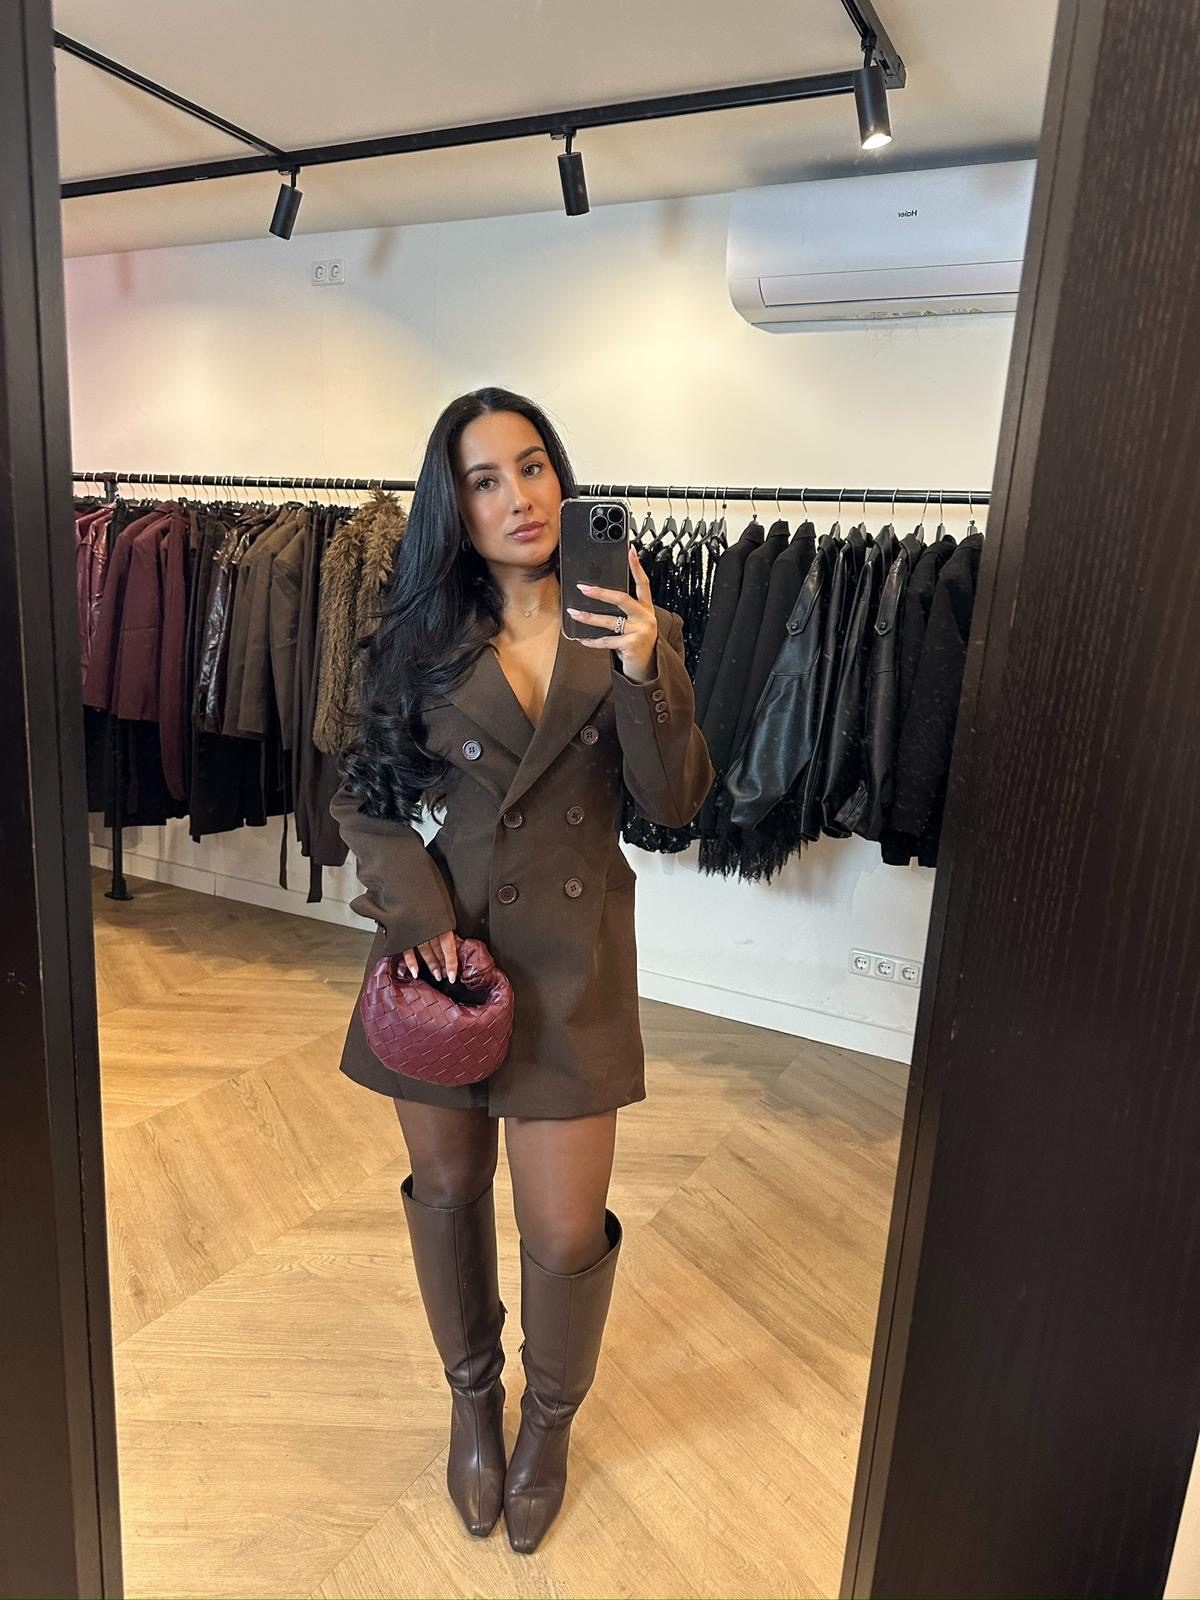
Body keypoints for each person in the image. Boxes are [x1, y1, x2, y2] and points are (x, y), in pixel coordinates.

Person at [331, 386, 714, 1553]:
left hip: (570, 972)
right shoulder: (417, 639)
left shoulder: (634, 626)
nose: (519, 496)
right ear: (454, 504)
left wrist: (644, 666)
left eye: (533, 465)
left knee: (562, 1232)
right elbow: (364, 798)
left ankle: (549, 1422)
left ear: (561, 476)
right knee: (447, 1197)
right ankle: (472, 1402)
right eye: (485, 479)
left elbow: (674, 800)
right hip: (440, 971)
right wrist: (419, 911)